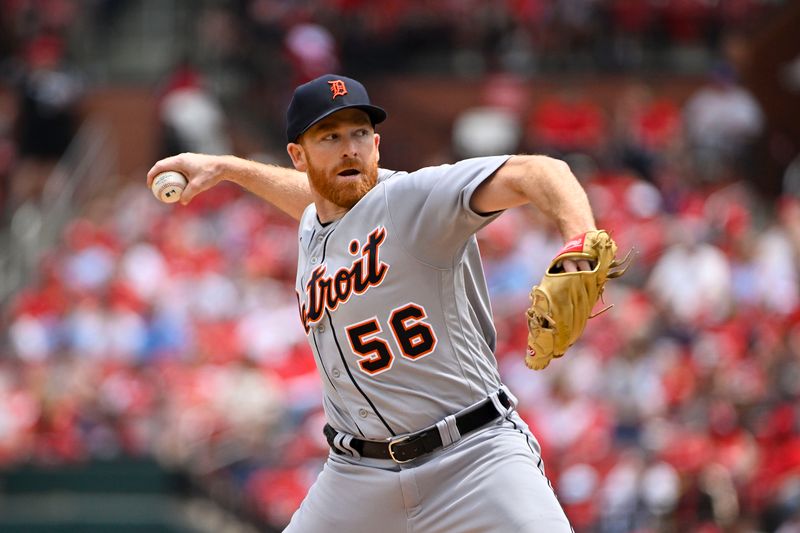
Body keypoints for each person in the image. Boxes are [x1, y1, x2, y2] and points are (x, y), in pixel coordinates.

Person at [148, 74, 597, 532]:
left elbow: (541, 172)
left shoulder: (414, 199)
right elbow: (315, 198)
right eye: (330, 136)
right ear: (298, 157)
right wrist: (229, 169)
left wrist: (579, 239)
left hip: (474, 458)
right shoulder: (317, 218)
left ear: (377, 145)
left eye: (359, 133)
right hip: (358, 476)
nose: (349, 149)